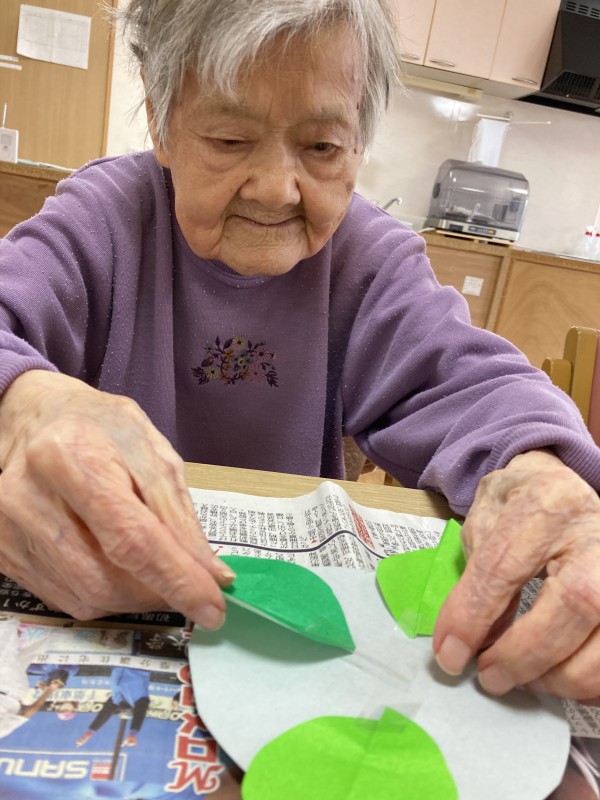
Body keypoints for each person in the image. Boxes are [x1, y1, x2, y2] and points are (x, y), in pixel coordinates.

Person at [0, 0, 599, 707]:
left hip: (282, 640)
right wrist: (26, 403)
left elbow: (464, 380)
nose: (277, 189)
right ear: (161, 122)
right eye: (229, 139)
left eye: (321, 147)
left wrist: (537, 474)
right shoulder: (103, 219)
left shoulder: (368, 261)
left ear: (359, 141)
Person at [75, 667, 150, 747]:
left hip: (119, 664)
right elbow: (139, 714)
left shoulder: (116, 699)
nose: (124, 711)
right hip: (137, 667)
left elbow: (104, 714)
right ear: (132, 709)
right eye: (127, 712)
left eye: (122, 712)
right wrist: (132, 734)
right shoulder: (140, 699)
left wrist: (87, 735)